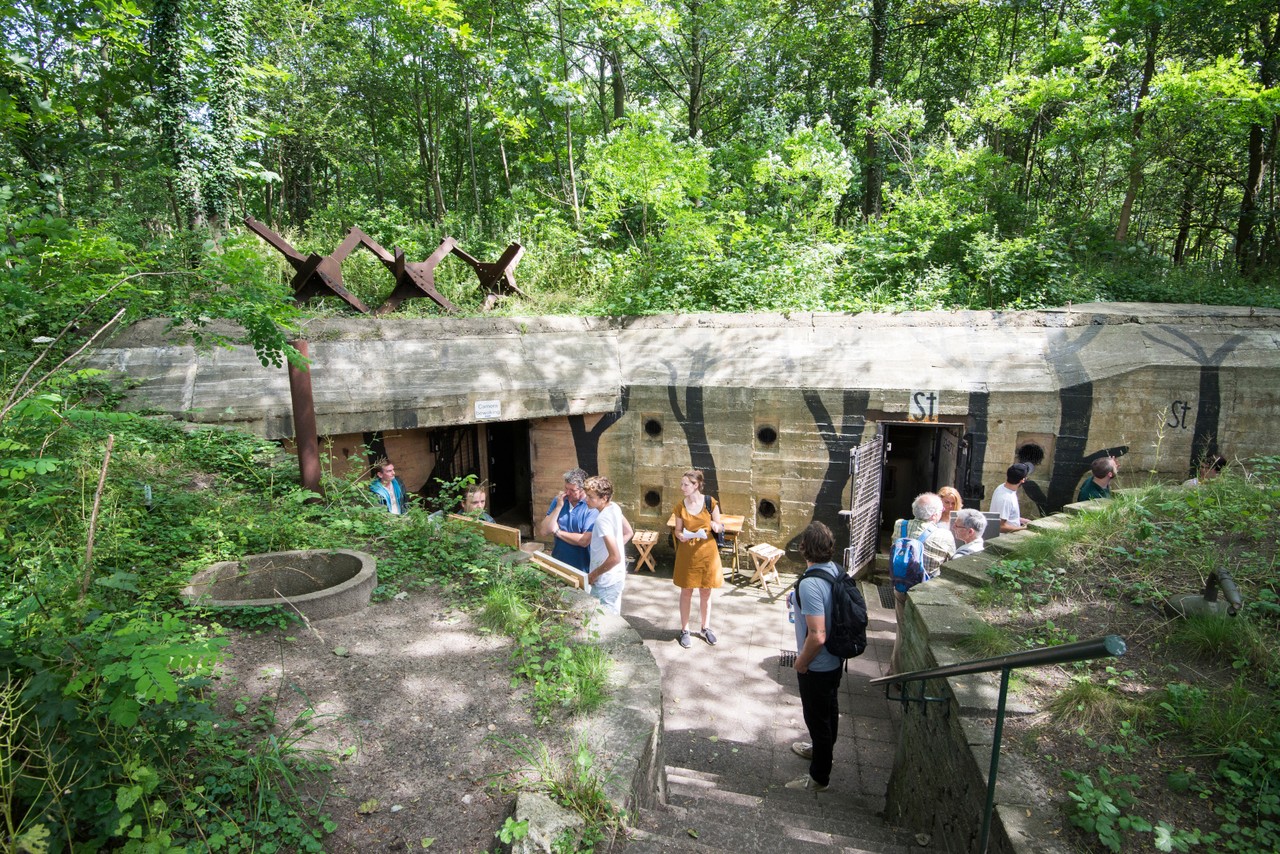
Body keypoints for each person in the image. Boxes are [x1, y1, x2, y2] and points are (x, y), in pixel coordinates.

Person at [785, 521, 843, 793]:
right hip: (834, 660)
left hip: (817, 664)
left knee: (817, 719)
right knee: (829, 710)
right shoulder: (833, 570)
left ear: (804, 548)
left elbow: (817, 634)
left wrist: (802, 661)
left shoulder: (810, 584)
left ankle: (819, 778)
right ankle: (822, 752)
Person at [889, 492, 956, 674]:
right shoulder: (945, 536)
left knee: (901, 631)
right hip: (927, 590)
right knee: (922, 634)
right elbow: (952, 562)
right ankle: (910, 675)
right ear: (934, 515)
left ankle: (895, 672)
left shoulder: (899, 525)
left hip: (902, 586)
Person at [671, 469, 724, 648]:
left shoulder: (710, 502)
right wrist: (680, 536)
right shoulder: (680, 506)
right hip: (687, 553)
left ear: (696, 485)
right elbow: (677, 530)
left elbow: (719, 524)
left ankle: (705, 627)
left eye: (685, 484)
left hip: (707, 552)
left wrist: (716, 526)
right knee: (686, 591)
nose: (682, 487)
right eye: (682, 484)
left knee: (706, 591)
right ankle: (685, 629)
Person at [537, 468, 598, 574]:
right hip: (558, 563)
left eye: (572, 490)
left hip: (582, 568)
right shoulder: (559, 500)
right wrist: (558, 507)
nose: (567, 493)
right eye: (566, 488)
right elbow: (543, 531)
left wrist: (557, 532)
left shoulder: (591, 506)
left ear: (583, 489)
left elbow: (584, 541)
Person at [583, 475, 629, 615]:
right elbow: (628, 532)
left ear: (604, 498)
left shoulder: (602, 520)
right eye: (587, 495)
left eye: (591, 497)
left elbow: (615, 557)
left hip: (605, 581)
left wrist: (593, 575)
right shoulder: (614, 507)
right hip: (616, 576)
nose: (586, 500)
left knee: (605, 624)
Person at [990, 463, 1032, 533]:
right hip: (1004, 538)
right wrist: (1023, 529)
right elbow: (1000, 527)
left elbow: (1008, 517)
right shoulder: (1006, 499)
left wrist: (1024, 521)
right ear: (1022, 480)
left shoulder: (1001, 487)